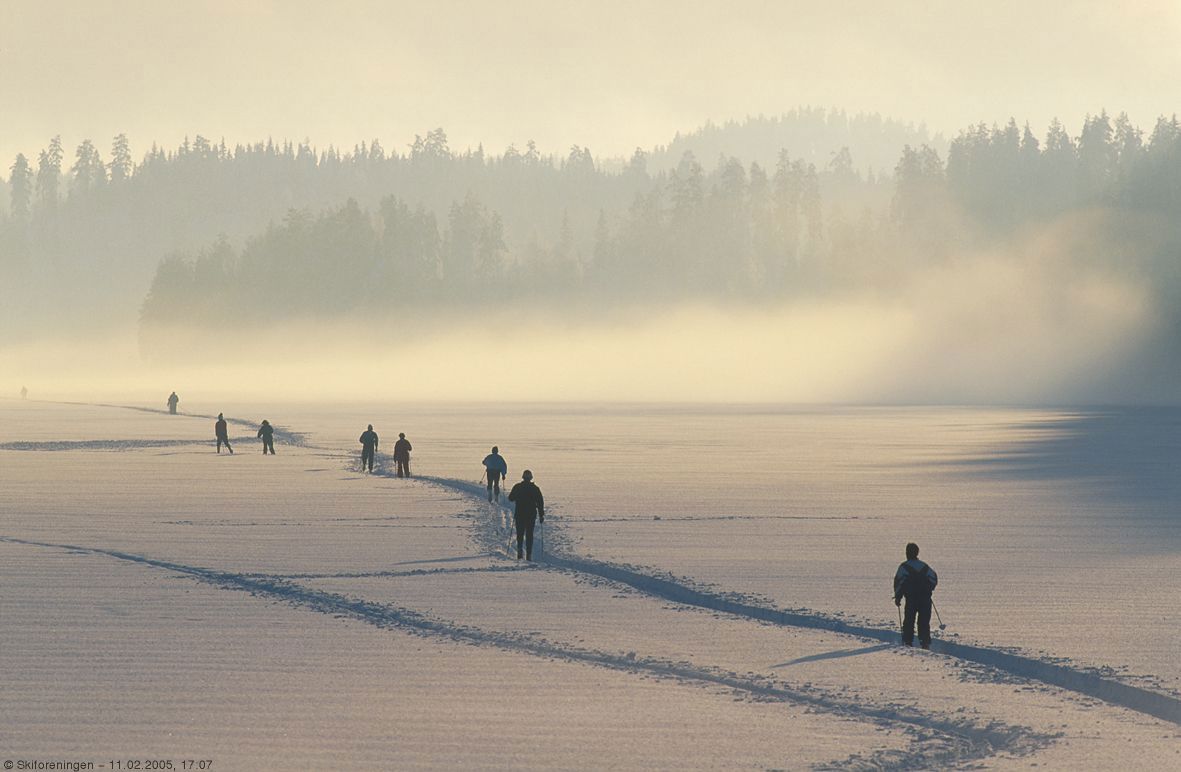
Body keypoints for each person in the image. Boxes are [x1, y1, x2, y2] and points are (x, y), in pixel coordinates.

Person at [894, 542, 938, 649]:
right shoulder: (924, 566)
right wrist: (928, 589)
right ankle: (925, 643)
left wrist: (898, 597)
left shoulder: (904, 567)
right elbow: (934, 579)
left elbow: (898, 582)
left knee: (909, 620)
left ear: (907, 553)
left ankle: (908, 642)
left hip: (911, 599)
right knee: (924, 621)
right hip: (925, 599)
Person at [507, 470, 545, 561]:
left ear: (523, 477)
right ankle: (529, 555)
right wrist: (541, 515)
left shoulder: (517, 487)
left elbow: (510, 498)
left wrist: (517, 497)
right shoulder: (535, 488)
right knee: (529, 534)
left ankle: (520, 553)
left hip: (520, 513)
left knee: (520, 533)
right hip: (531, 514)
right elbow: (540, 502)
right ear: (531, 478)